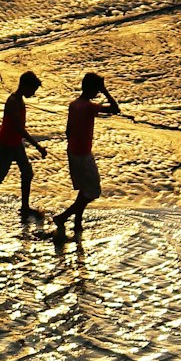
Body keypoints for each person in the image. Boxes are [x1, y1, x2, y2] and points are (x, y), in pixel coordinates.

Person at [0, 71, 48, 227]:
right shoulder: (13, 102)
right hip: (6, 144)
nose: (33, 93)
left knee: (27, 172)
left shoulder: (19, 100)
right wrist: (37, 146)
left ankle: (24, 207)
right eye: (32, 89)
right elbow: (19, 128)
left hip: (15, 143)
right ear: (24, 86)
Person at [54, 72, 119, 240]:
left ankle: (77, 222)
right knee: (93, 191)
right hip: (83, 153)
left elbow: (67, 130)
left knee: (84, 189)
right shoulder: (90, 107)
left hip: (73, 150)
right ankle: (63, 217)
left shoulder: (73, 105)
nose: (97, 93)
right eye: (97, 90)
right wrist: (105, 92)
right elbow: (115, 108)